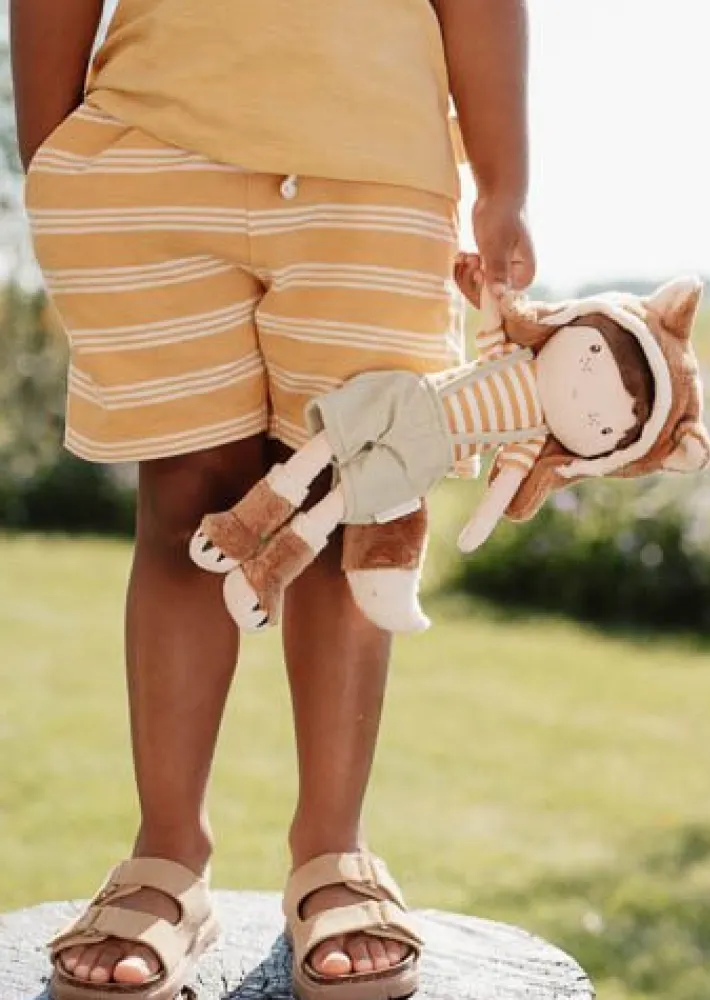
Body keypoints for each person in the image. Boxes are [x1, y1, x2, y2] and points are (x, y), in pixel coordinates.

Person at [11, 0, 535, 996]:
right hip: (146, 153)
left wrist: (504, 183)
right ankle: (167, 854)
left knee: (357, 501)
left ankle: (333, 850)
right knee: (188, 509)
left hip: (379, 166)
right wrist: (50, 158)